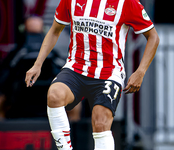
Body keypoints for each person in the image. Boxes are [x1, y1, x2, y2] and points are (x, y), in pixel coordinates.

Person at [25, 0, 159, 149]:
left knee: (100, 122)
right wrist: (38, 64)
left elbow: (153, 37)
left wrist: (140, 71)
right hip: (76, 67)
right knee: (54, 95)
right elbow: (55, 30)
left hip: (108, 72)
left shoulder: (127, 3)